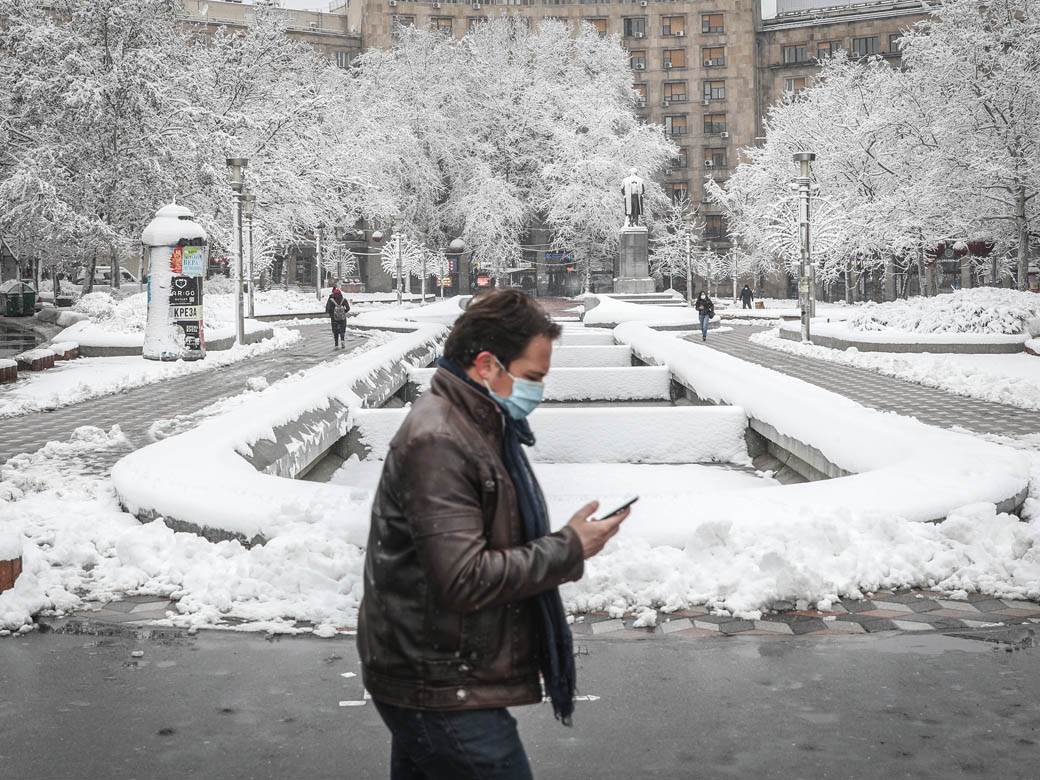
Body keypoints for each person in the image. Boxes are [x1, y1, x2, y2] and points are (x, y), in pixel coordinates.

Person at [358, 290, 630, 780]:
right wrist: (568, 547)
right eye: (531, 378)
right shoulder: (441, 439)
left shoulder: (473, 423)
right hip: (438, 683)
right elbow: (462, 577)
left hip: (432, 670)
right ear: (487, 365)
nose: (538, 392)